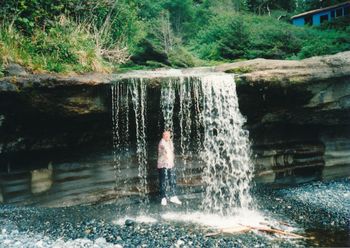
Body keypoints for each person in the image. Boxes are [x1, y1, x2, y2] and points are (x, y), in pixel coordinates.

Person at [157, 130, 182, 206]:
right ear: (163, 136)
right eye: (166, 136)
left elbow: (171, 153)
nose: (167, 137)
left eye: (168, 135)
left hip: (170, 165)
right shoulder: (162, 143)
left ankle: (173, 196)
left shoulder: (169, 142)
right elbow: (167, 151)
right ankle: (163, 198)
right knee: (163, 181)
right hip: (163, 165)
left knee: (173, 180)